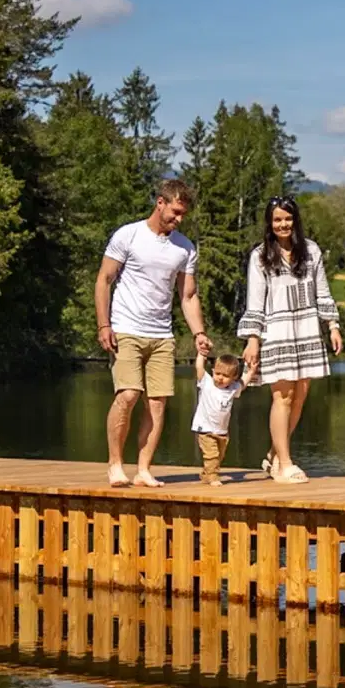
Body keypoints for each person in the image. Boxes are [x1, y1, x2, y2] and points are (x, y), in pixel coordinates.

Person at [95, 178, 214, 488]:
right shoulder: (129, 235)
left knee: (157, 403)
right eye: (175, 212)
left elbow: (188, 295)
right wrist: (104, 325)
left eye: (183, 214)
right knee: (128, 395)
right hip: (126, 328)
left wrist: (198, 333)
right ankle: (115, 464)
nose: (179, 219)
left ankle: (144, 470)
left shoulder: (184, 248)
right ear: (160, 203)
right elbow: (104, 279)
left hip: (162, 335)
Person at [237, 196, 341, 485]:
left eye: (288, 218)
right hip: (277, 331)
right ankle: (285, 463)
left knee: (300, 395)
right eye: (277, 219)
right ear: (269, 223)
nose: (283, 224)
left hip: (306, 328)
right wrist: (253, 340)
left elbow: (322, 291)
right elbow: (255, 302)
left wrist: (332, 326)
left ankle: (273, 455)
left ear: (295, 220)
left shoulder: (311, 251)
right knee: (282, 396)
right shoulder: (260, 256)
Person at [192, 350, 255, 485]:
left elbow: (243, 383)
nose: (220, 378)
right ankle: (213, 477)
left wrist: (250, 371)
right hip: (205, 428)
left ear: (234, 377)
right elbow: (199, 367)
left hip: (222, 431)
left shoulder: (233, 388)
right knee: (212, 455)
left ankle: (206, 475)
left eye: (226, 376)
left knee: (219, 456)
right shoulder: (207, 382)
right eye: (218, 373)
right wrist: (201, 354)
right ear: (213, 371)